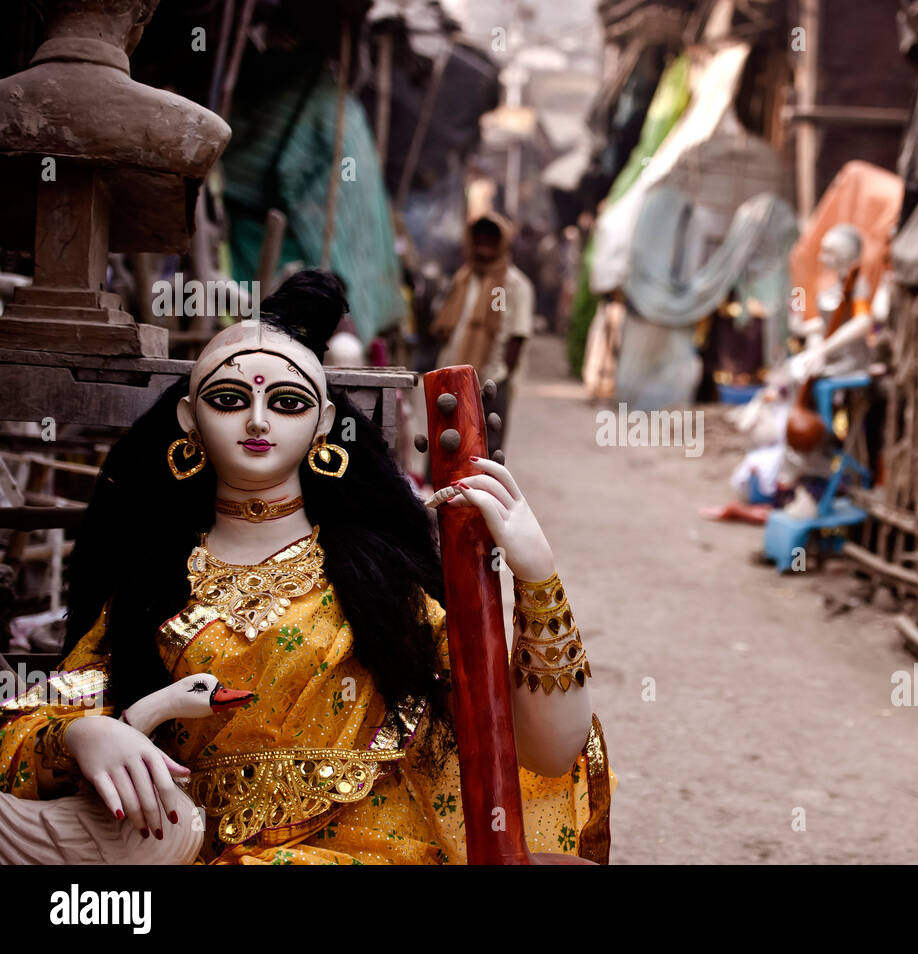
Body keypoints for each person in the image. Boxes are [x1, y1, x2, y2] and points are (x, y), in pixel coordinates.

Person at [0, 270, 609, 865]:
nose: (259, 422)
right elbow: (23, 731)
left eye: (286, 402)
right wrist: (79, 736)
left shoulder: (376, 581)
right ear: (189, 419)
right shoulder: (155, 585)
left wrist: (537, 580)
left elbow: (548, 751)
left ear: (322, 423)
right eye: (230, 399)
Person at [430, 213, 535, 457]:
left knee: (485, 451)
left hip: (491, 380)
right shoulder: (464, 277)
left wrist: (500, 380)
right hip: (451, 376)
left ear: (503, 242)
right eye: (479, 237)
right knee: (444, 444)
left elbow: (518, 336)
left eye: (491, 238)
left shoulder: (516, 284)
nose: (484, 243)